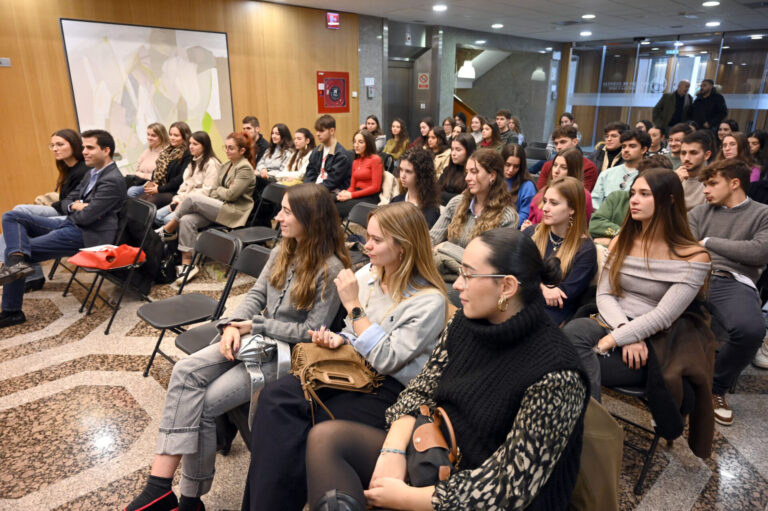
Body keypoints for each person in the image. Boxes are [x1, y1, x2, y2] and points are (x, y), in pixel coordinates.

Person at [305, 227, 590, 511]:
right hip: (435, 453)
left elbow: (508, 488)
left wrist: (403, 497)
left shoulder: (557, 373)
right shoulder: (466, 322)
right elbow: (420, 389)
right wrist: (392, 452)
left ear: (507, 287)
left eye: (468, 274)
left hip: (483, 493)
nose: (456, 284)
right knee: (326, 439)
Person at [123, 183, 349, 511]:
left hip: (286, 354)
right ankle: (161, 488)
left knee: (206, 402)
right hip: (252, 338)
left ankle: (188, 499)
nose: (278, 216)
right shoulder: (283, 248)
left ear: (309, 217)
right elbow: (256, 296)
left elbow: (308, 332)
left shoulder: (331, 268)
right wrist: (231, 326)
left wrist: (254, 326)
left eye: (287, 211)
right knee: (185, 371)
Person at [241, 201, 449, 511]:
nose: (367, 245)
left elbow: (388, 359)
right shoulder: (369, 273)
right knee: (273, 398)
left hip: (388, 390)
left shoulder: (429, 300)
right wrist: (338, 337)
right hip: (351, 368)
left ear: (403, 247)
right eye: (369, 236)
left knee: (299, 426)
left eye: (377, 240)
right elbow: (354, 331)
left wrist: (353, 306)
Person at [563, 169, 711, 400]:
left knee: (569, 366)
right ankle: (589, 427)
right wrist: (623, 332)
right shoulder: (621, 241)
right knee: (573, 333)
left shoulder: (693, 256)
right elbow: (605, 295)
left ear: (669, 200)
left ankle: (586, 428)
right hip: (614, 321)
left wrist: (614, 340)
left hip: (655, 340)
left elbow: (663, 316)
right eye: (633, 193)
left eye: (644, 194)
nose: (633, 199)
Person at [0, 130, 126, 328]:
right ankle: (18, 255)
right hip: (71, 223)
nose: (84, 152)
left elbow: (87, 217)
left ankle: (11, 311)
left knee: (14, 256)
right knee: (11, 216)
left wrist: (79, 207)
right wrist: (76, 205)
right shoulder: (92, 172)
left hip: (86, 235)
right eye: (83, 147)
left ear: (106, 150)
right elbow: (66, 200)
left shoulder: (112, 180)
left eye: (90, 148)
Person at [688, 159, 768, 425]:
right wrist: (706, 248)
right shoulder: (700, 212)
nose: (706, 190)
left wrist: (709, 242)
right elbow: (687, 248)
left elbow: (758, 252)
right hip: (694, 275)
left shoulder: (762, 214)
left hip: (733, 281)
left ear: (734, 183)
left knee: (751, 330)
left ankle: (715, 388)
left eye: (712, 183)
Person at [157, 132, 256, 283]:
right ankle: (187, 265)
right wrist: (223, 190)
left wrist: (222, 191)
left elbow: (231, 195)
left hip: (233, 212)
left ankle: (168, 229)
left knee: (192, 198)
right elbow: (216, 190)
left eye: (231, 148)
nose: (227, 151)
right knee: (187, 220)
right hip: (221, 206)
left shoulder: (245, 168)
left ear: (242, 151)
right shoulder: (227, 165)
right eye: (226, 147)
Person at [0, 129, 89, 291]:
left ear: (74, 145)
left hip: (69, 218)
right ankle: (22, 271)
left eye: (60, 144)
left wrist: (57, 204)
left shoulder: (84, 170)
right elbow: (66, 199)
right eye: (53, 145)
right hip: (62, 210)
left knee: (16, 230)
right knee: (15, 222)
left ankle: (12, 270)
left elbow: (70, 204)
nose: (55, 149)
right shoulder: (66, 167)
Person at [431, 149, 518, 280]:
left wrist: (445, 247)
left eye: (474, 172)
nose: (467, 178)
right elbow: (431, 240)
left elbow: (490, 264)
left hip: (477, 283)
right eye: (467, 172)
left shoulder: (506, 216)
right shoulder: (457, 203)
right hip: (442, 275)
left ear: (492, 176)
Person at [525, 177, 597, 325]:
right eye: (545, 201)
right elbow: (512, 270)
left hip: (552, 314)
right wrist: (543, 288)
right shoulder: (532, 233)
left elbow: (564, 296)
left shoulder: (585, 249)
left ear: (572, 209)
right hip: (522, 301)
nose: (545, 208)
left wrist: (527, 282)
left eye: (554, 203)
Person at [589, 155, 672, 246]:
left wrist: (614, 240)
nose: (644, 180)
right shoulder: (617, 197)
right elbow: (594, 224)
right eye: (641, 174)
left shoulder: (670, 210)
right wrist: (620, 234)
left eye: (645, 194)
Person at [154, 131, 220, 227]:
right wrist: (176, 200)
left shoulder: (212, 163)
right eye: (190, 143)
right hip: (184, 200)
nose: (190, 147)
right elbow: (184, 185)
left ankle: (172, 239)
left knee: (167, 220)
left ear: (204, 146)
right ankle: (167, 238)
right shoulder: (192, 162)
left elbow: (206, 192)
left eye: (195, 144)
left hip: (197, 203)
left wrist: (183, 202)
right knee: (155, 216)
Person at [134, 122, 193, 209]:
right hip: (160, 187)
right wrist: (154, 183)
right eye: (171, 134)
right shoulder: (167, 150)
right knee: (136, 201)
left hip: (174, 191)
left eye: (176, 135)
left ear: (185, 137)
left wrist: (159, 189)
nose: (172, 138)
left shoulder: (187, 154)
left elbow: (180, 178)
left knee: (147, 205)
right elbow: (157, 170)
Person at [527, 147, 594, 225]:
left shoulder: (583, 195)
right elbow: (531, 219)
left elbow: (578, 227)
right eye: (555, 165)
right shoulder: (544, 191)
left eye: (563, 167)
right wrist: (528, 226)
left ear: (573, 171)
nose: (556, 171)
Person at [591, 128, 650, 209]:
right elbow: (594, 203)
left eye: (632, 146)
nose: (626, 150)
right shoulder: (606, 174)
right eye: (624, 146)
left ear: (643, 149)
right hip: (604, 219)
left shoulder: (650, 175)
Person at [335, 129, 383, 218]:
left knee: (336, 208)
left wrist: (351, 195)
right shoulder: (356, 161)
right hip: (357, 194)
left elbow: (375, 188)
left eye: (360, 142)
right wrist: (346, 193)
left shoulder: (375, 159)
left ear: (368, 144)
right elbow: (352, 187)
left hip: (370, 198)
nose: (356, 145)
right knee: (330, 200)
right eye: (355, 142)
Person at [536, 126, 599, 191]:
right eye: (556, 143)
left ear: (575, 142)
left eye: (563, 142)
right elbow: (540, 194)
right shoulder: (547, 165)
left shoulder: (588, 167)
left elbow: (582, 197)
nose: (558, 147)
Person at [391, 148, 441, 228]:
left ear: (421, 174)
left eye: (408, 171)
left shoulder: (431, 211)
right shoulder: (396, 200)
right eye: (401, 170)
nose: (402, 176)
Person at [304, 115, 352, 193]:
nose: (317, 134)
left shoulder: (341, 155)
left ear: (332, 131)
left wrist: (312, 191)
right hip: (316, 190)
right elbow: (310, 173)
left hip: (331, 192)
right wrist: (306, 189)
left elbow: (332, 182)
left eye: (321, 131)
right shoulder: (317, 150)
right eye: (317, 131)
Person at [675, 130, 713, 210]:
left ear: (706, 155)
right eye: (683, 153)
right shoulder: (675, 177)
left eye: (693, 153)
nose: (686, 158)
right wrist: (673, 182)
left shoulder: (713, 181)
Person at [125, 122, 170, 190]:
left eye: (153, 135)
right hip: (140, 182)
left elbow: (160, 178)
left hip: (153, 185)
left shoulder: (165, 154)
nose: (149, 138)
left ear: (161, 137)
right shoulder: (147, 151)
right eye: (148, 134)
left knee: (132, 191)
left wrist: (142, 175)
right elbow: (137, 170)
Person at [502, 143, 536, 227]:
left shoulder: (527, 186)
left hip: (511, 230)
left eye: (516, 166)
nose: (511, 170)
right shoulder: (493, 179)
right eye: (507, 165)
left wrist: (504, 226)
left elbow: (524, 215)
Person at [438, 133, 475, 205]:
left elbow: (466, 199)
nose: (453, 153)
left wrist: (443, 195)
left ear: (468, 151)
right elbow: (436, 192)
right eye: (452, 149)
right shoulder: (448, 170)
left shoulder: (473, 174)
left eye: (458, 150)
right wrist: (457, 197)